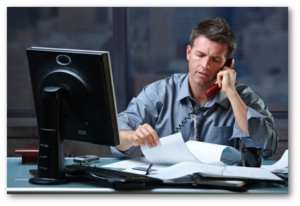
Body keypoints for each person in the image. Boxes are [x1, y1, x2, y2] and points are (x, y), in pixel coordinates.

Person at [110, 17, 279, 159]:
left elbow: (266, 148)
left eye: (215, 59)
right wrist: (132, 137)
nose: (204, 65)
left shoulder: (244, 98)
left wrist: (231, 94)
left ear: (227, 65)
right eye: (200, 55)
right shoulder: (159, 93)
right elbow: (116, 136)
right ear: (188, 52)